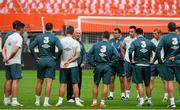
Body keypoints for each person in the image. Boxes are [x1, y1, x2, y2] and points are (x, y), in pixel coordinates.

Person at [29, 23, 63, 107]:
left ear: (45, 28)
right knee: (49, 82)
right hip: (50, 60)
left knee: (39, 81)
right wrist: (57, 57)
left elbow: (31, 47)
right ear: (52, 28)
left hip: (41, 59)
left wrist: (36, 58)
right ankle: (46, 102)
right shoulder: (54, 37)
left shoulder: (39, 37)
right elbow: (61, 48)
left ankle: (37, 102)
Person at [88, 31, 120, 108]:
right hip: (107, 66)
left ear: (102, 36)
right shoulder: (111, 46)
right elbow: (117, 56)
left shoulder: (96, 45)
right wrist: (111, 64)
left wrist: (93, 64)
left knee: (96, 84)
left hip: (98, 66)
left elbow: (89, 55)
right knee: (105, 85)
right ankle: (102, 102)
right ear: (109, 37)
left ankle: (94, 102)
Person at [55, 25, 84, 106]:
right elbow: (78, 55)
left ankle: (60, 101)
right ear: (73, 32)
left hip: (63, 65)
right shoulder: (76, 42)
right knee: (75, 84)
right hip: (73, 66)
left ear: (65, 32)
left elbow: (59, 51)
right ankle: (77, 101)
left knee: (62, 84)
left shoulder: (60, 41)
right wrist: (69, 61)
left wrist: (64, 61)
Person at [129, 28, 156, 107]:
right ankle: (149, 101)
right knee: (147, 84)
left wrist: (131, 60)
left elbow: (130, 51)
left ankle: (141, 102)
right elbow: (157, 51)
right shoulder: (149, 42)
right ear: (143, 33)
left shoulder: (135, 42)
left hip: (138, 65)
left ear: (136, 34)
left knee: (140, 84)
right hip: (147, 65)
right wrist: (153, 61)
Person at [156, 22, 180, 108]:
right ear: (175, 28)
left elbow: (158, 50)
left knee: (170, 81)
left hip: (168, 63)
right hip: (178, 62)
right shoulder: (179, 37)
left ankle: (172, 103)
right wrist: (176, 57)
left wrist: (160, 60)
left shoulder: (164, 37)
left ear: (168, 28)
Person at [2, 21, 25, 106]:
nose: (24, 30)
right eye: (24, 28)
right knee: (15, 81)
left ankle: (6, 100)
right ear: (21, 28)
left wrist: (5, 58)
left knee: (8, 80)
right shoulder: (19, 38)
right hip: (15, 62)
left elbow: (3, 49)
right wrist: (8, 58)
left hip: (8, 63)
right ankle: (14, 101)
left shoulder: (9, 37)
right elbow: (15, 51)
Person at [66, 29, 86, 103]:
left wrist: (83, 62)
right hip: (71, 65)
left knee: (79, 81)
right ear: (73, 34)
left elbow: (84, 54)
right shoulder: (70, 42)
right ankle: (69, 97)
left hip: (79, 66)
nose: (78, 34)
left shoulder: (81, 44)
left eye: (79, 33)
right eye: (77, 33)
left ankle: (77, 97)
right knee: (70, 81)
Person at [149, 28, 168, 102]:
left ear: (160, 34)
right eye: (153, 33)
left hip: (162, 63)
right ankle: (149, 97)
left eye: (155, 33)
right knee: (151, 79)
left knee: (164, 80)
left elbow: (167, 50)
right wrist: (150, 58)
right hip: (153, 63)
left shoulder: (164, 41)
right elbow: (150, 51)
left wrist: (165, 58)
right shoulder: (152, 41)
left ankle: (166, 96)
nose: (154, 35)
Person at [107, 28, 125, 101]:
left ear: (120, 34)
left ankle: (123, 95)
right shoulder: (110, 41)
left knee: (122, 79)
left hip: (120, 63)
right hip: (112, 63)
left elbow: (125, 51)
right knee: (111, 79)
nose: (115, 34)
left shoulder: (123, 41)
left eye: (116, 33)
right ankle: (111, 95)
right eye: (114, 33)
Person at [121, 25, 137, 100]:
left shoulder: (138, 39)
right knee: (128, 78)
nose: (130, 33)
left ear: (135, 32)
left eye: (132, 32)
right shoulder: (126, 39)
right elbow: (122, 47)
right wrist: (124, 56)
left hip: (136, 62)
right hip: (127, 61)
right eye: (129, 31)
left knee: (138, 79)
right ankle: (127, 96)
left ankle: (138, 96)